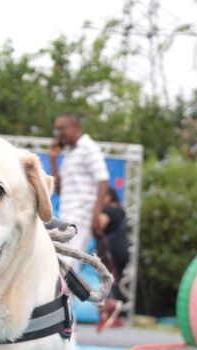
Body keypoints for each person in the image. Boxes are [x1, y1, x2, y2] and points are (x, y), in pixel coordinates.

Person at [48, 112, 110, 268]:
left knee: (65, 266)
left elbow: (102, 180)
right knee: (62, 265)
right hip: (67, 216)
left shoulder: (89, 147)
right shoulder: (71, 154)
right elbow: (61, 190)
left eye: (61, 128)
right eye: (56, 130)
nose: (58, 134)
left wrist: (96, 214)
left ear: (75, 126)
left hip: (81, 217)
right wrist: (53, 159)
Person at [95, 187, 130, 330]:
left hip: (110, 251)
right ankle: (118, 315)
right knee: (116, 280)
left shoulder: (108, 210)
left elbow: (101, 224)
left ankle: (112, 310)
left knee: (108, 280)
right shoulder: (120, 210)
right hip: (122, 250)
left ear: (108, 196)